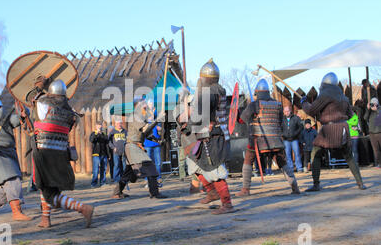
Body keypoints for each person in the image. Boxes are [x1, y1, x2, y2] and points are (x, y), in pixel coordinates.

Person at [28, 79, 94, 228]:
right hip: (61, 153)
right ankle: (46, 219)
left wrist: (38, 89)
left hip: (44, 152)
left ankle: (83, 208)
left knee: (48, 191)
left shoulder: (43, 104)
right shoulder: (70, 112)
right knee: (48, 187)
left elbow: (31, 101)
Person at [179, 59, 236, 214]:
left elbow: (199, 116)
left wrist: (187, 119)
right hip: (208, 135)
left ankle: (227, 204)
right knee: (194, 164)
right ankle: (212, 192)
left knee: (214, 170)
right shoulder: (212, 90)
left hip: (213, 137)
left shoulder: (211, 92)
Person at [301, 72, 366, 191]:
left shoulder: (325, 95)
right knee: (349, 156)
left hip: (329, 130)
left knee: (315, 154)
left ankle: (316, 184)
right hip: (343, 129)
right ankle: (360, 183)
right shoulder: (344, 97)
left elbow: (312, 110)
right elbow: (350, 115)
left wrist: (304, 103)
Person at [236, 78, 301, 197]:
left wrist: (239, 113)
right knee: (282, 163)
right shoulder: (278, 104)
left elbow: (241, 120)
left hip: (258, 139)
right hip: (275, 139)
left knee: (248, 160)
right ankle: (294, 186)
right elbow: (281, 122)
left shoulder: (254, 105)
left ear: (257, 92)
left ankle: (245, 189)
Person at [111, 97, 167, 199]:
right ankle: (154, 193)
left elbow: (146, 134)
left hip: (134, 147)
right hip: (133, 147)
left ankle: (116, 192)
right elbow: (145, 129)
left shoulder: (140, 117)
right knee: (150, 167)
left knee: (128, 173)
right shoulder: (135, 116)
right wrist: (157, 120)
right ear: (138, 105)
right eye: (143, 104)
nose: (145, 106)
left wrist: (158, 141)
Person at [143, 100, 163, 186]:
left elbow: (161, 131)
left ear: (154, 109)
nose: (151, 108)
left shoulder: (158, 120)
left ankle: (158, 178)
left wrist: (161, 129)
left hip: (156, 144)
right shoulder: (145, 120)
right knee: (148, 162)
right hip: (147, 144)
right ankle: (147, 178)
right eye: (149, 106)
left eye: (152, 107)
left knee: (158, 162)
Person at [282, 106, 304, 172]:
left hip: (294, 139)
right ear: (284, 112)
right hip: (286, 139)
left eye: (288, 111)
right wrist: (283, 134)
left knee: (297, 153)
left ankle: (299, 167)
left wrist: (295, 133)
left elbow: (300, 127)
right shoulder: (282, 119)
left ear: (290, 111)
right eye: (285, 111)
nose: (287, 112)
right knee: (287, 154)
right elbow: (279, 128)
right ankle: (290, 168)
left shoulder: (296, 118)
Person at [90, 121, 108, 187]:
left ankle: (102, 183)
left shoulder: (103, 134)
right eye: (98, 125)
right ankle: (94, 183)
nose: (99, 127)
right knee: (96, 169)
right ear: (96, 126)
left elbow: (107, 144)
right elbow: (91, 140)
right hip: (96, 155)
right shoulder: (93, 133)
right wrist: (96, 133)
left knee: (103, 169)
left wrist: (108, 155)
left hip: (104, 154)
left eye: (100, 125)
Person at [364, 98, 381, 168]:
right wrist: (368, 109)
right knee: (376, 150)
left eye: (374, 104)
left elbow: (379, 120)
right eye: (372, 104)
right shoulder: (369, 111)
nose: (373, 105)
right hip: (372, 133)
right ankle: (379, 163)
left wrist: (376, 110)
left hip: (380, 132)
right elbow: (365, 118)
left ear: (377, 104)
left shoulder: (380, 109)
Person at [108, 119, 127, 183]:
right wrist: (113, 147)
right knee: (116, 165)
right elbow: (109, 141)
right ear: (115, 124)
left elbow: (128, 140)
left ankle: (124, 178)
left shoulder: (125, 131)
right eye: (118, 123)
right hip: (116, 151)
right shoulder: (112, 132)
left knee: (124, 165)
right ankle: (116, 179)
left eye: (120, 123)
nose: (119, 124)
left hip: (124, 151)